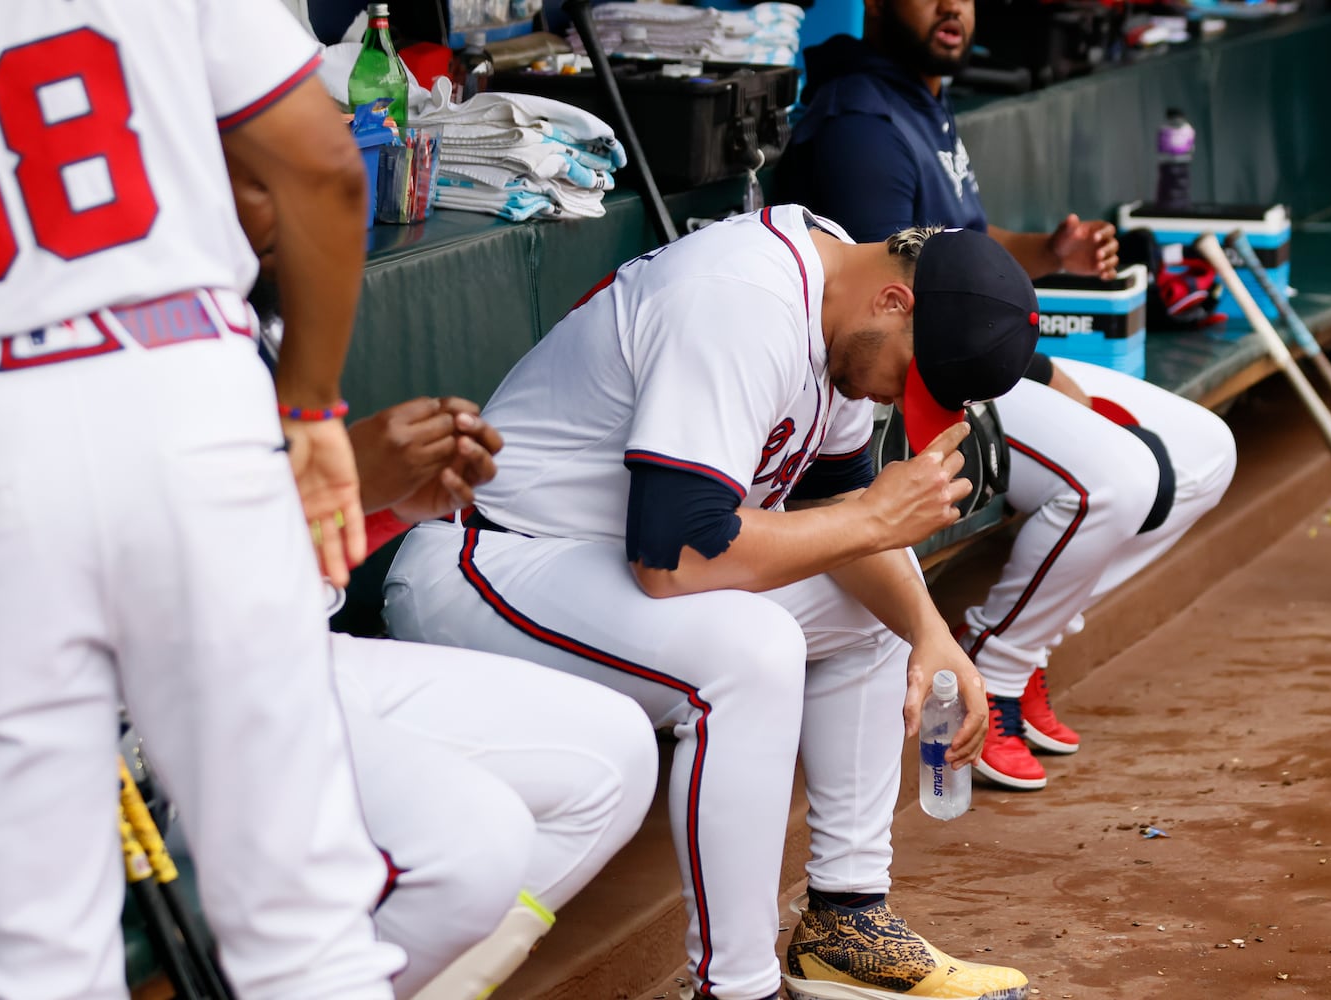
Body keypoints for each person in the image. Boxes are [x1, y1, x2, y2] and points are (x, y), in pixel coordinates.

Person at [383, 205, 1040, 1000]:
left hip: (597, 566)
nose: (904, 399)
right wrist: (869, 521)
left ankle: (847, 922)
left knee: (884, 612)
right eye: (912, 374)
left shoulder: (843, 312)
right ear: (893, 303)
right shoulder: (743, 298)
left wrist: (931, 630)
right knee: (748, 653)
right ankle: (734, 987)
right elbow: (676, 558)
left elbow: (831, 507)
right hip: (491, 561)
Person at [0, 2, 407, 996]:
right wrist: (312, 403)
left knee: (30, 956)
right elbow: (321, 162)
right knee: (304, 928)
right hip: (187, 388)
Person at [775, 0, 1238, 791]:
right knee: (1116, 481)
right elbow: (897, 304)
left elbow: (955, 250)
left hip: (985, 351)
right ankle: (997, 662)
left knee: (1205, 453)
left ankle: (1025, 644)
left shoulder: (919, 96)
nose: (953, 6)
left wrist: (1047, 254)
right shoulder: (860, 123)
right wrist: (1033, 370)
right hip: (922, 377)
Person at [226, 170, 658, 1000]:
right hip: (171, 703)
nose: (300, 199)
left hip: (294, 654)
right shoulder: (128, 346)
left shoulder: (256, 320)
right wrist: (344, 477)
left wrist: (383, 505)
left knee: (615, 754)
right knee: (470, 839)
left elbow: (285, 565)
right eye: (255, 175)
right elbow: (153, 572)